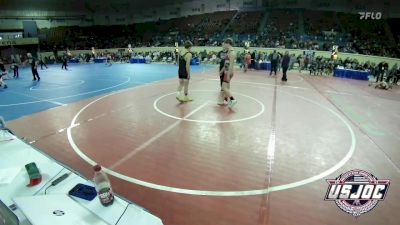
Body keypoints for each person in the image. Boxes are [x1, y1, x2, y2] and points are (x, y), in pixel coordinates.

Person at [219, 38, 237, 108]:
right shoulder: (229, 52)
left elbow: (231, 65)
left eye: (225, 44)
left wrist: (228, 74)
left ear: (228, 44)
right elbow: (226, 63)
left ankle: (233, 100)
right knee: (227, 87)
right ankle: (227, 100)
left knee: (224, 87)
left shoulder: (232, 53)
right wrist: (222, 70)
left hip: (228, 72)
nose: (224, 45)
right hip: (226, 71)